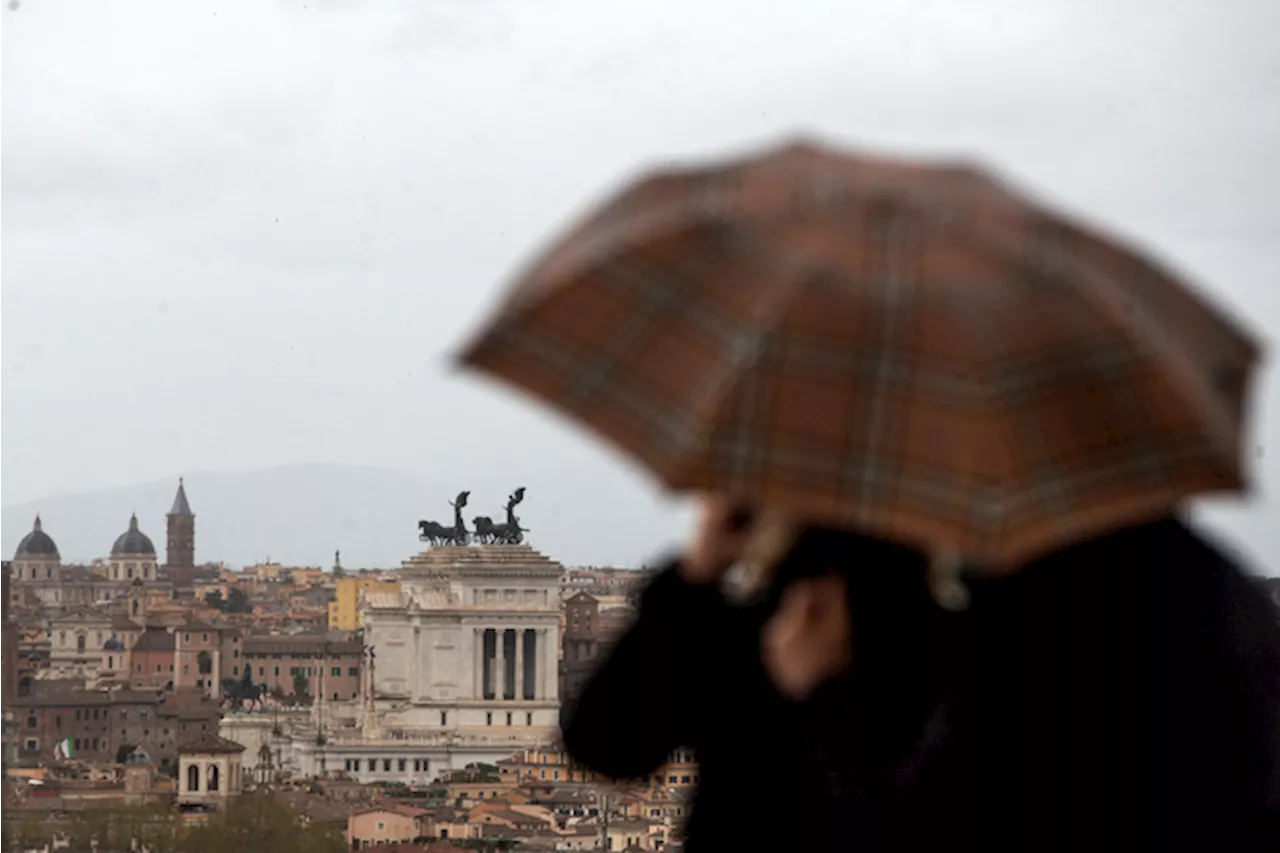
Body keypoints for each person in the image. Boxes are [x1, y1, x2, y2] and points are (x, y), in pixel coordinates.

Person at [559, 499, 939, 851]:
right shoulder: (746, 623)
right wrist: (695, 579)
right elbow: (605, 746)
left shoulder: (923, 645)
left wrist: (817, 695)